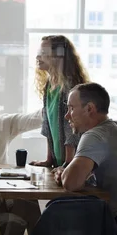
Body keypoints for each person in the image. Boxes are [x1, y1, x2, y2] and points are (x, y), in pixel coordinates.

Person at [54, 82, 117, 235]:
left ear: (89, 109)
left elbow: (71, 183)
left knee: (57, 216)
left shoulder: (94, 135)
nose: (67, 116)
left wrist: (65, 174)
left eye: (71, 108)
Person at [30, 35, 89, 169]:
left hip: (74, 164)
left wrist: (67, 164)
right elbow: (47, 124)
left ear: (58, 56)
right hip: (59, 164)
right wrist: (49, 160)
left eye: (43, 53)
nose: (38, 57)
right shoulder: (49, 85)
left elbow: (73, 127)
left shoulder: (70, 86)